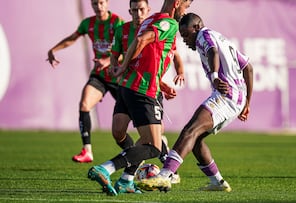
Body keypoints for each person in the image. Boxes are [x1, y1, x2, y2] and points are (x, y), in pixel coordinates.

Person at [87, 0, 193, 196]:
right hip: (143, 89)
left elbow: (149, 55)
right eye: (185, 6)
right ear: (177, 3)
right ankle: (106, 168)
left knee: (145, 141)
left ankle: (127, 179)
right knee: (154, 146)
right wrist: (125, 65)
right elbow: (142, 41)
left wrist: (159, 82)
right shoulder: (168, 23)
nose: (185, 12)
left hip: (130, 86)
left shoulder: (151, 19)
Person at [139, 12, 254, 192]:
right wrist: (247, 101)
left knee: (189, 130)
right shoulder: (222, 39)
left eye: (186, 35)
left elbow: (212, 51)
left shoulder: (204, 35)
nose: (185, 40)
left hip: (226, 95)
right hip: (236, 98)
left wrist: (215, 77)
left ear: (197, 27)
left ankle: (164, 176)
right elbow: (248, 67)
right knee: (196, 139)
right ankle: (218, 182)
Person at [110, 0, 184, 184]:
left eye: (140, 9)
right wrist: (117, 66)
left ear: (148, 9)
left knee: (153, 141)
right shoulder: (127, 29)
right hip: (129, 84)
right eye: (134, 10)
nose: (137, 13)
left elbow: (169, 56)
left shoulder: (160, 25)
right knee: (119, 132)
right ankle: (134, 158)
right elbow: (119, 56)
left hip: (146, 87)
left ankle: (155, 170)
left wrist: (171, 78)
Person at [47, 0, 124, 163]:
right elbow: (72, 38)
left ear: (107, 3)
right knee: (84, 104)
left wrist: (108, 61)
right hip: (99, 76)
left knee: (136, 117)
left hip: (119, 77)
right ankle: (87, 150)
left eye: (102, 2)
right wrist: (54, 49)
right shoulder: (88, 24)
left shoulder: (117, 22)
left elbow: (127, 51)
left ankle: (156, 146)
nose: (99, 6)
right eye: (95, 3)